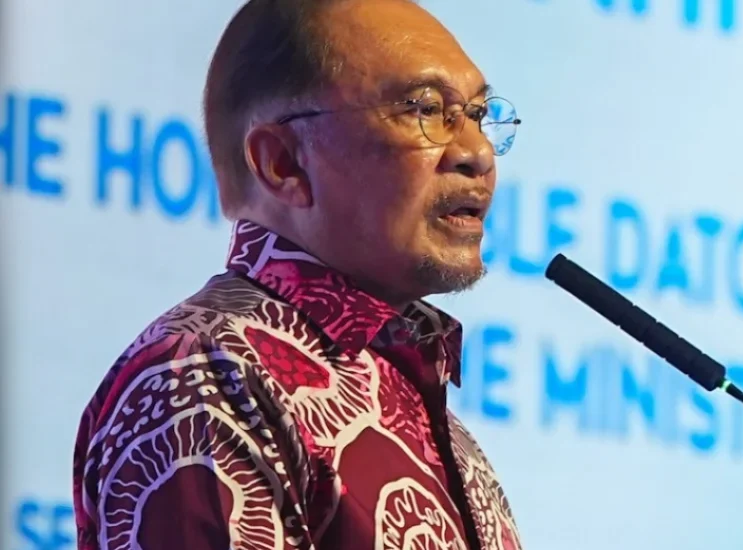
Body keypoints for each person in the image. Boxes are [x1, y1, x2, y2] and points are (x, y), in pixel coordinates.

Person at [72, 0, 523, 548]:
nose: (478, 153)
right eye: (427, 110)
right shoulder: (209, 376)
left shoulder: (423, 409)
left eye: (477, 115)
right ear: (282, 163)